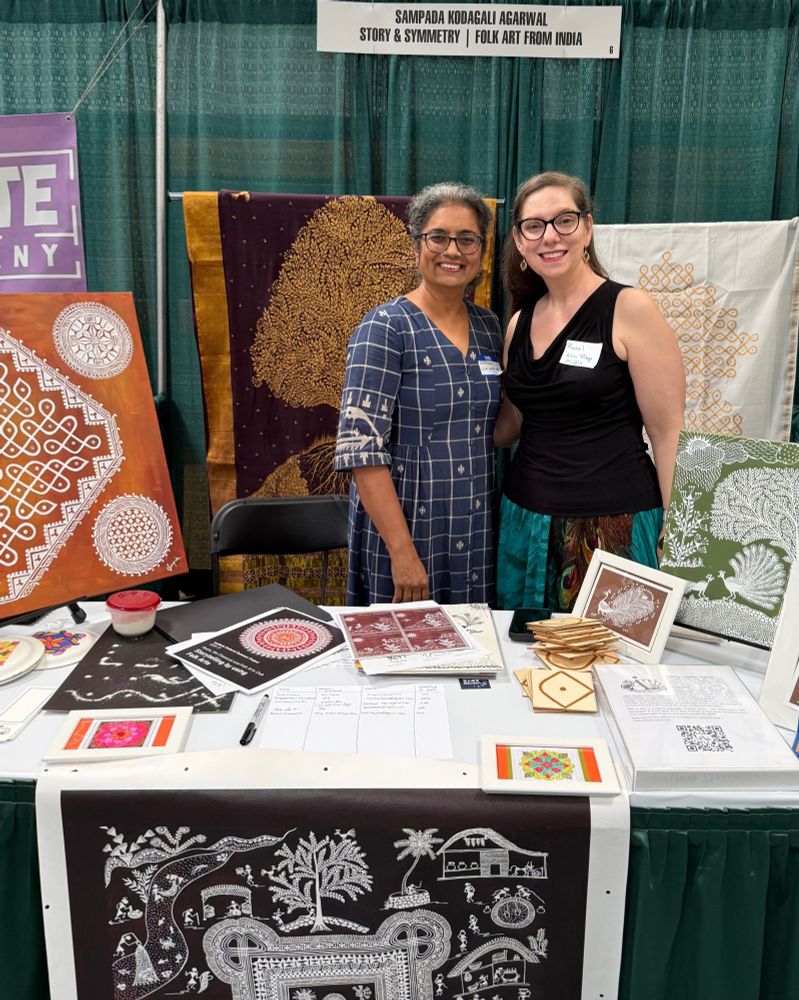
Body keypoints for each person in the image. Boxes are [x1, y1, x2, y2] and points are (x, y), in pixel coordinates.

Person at [494, 171, 685, 611]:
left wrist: (676, 531)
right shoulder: (518, 325)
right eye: (534, 226)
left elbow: (667, 431)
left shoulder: (630, 309)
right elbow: (509, 427)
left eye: (564, 220)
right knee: (531, 668)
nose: (550, 237)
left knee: (611, 668)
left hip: (614, 525)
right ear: (521, 243)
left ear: (587, 229)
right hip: (526, 526)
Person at [334, 182, 503, 604]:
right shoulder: (385, 327)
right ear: (416, 246)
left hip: (475, 524)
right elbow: (362, 452)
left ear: (481, 252)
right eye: (438, 237)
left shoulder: (490, 328)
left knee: (472, 652)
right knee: (407, 655)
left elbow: (497, 429)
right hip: (408, 527)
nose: (453, 251)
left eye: (467, 239)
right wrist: (402, 551)